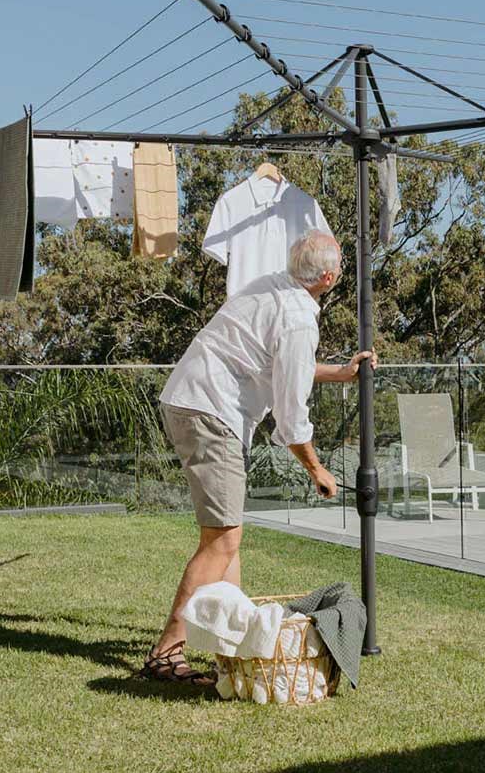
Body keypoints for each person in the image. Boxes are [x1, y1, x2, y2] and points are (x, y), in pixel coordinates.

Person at [140, 229, 377, 684]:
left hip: (192, 400)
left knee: (228, 539)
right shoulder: (299, 318)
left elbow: (283, 365)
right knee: (221, 541)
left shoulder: (273, 286)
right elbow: (290, 417)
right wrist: (317, 469)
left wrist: (340, 372)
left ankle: (230, 646)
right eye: (342, 265)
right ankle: (166, 653)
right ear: (328, 276)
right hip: (213, 411)